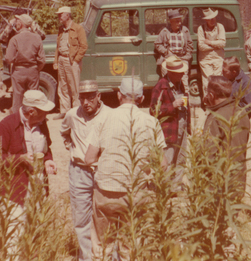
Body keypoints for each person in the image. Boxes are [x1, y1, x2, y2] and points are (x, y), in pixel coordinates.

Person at [84, 78, 166, 260]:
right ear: (142, 98)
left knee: (102, 246)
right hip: (135, 193)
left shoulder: (103, 118)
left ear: (118, 95)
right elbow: (162, 164)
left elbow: (89, 158)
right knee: (131, 246)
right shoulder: (151, 122)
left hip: (106, 191)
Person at [0, 90, 56, 254]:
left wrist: (48, 160)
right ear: (31, 111)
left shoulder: (41, 123)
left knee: (35, 231)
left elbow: (46, 148)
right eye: (43, 111)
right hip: (14, 190)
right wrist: (20, 158)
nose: (47, 114)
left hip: (37, 186)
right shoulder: (6, 125)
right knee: (14, 236)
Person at [60, 80, 108, 261]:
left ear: (98, 96)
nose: (86, 103)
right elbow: (64, 131)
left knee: (104, 215)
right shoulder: (72, 114)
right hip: (78, 171)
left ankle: (105, 254)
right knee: (81, 217)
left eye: (90, 98)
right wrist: (71, 147)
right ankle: (87, 257)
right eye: (82, 99)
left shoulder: (110, 115)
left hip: (102, 171)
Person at [203, 75, 251, 202]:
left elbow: (208, 154)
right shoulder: (242, 112)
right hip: (238, 177)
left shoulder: (215, 117)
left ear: (211, 95)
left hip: (219, 182)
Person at [150, 56, 191, 184]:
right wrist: (172, 106)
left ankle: (176, 186)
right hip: (169, 128)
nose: (183, 74)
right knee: (168, 158)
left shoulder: (180, 84)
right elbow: (153, 111)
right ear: (171, 73)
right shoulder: (161, 86)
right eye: (180, 73)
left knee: (181, 157)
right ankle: (165, 187)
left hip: (182, 126)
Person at [5, 14, 46, 114]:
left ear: (21, 23)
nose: (16, 22)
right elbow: (42, 59)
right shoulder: (37, 38)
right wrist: (36, 69)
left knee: (17, 97)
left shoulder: (14, 39)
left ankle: (17, 119)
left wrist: (16, 63)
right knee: (33, 97)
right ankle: (34, 117)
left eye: (18, 20)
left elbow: (8, 58)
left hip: (18, 71)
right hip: (33, 70)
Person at [53, 6, 88, 120]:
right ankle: (65, 111)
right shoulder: (61, 29)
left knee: (74, 86)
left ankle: (76, 111)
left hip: (72, 60)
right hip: (62, 60)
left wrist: (76, 60)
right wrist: (56, 61)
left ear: (67, 15)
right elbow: (58, 46)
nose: (59, 16)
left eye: (60, 14)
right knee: (62, 86)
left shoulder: (78, 28)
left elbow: (83, 46)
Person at [154, 9, 193, 79]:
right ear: (171, 22)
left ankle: (184, 90)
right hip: (169, 58)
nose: (179, 23)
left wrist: (187, 55)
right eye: (177, 21)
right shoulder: (165, 31)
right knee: (168, 80)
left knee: (183, 80)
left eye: (180, 21)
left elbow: (190, 44)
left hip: (182, 58)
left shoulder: (185, 30)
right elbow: (157, 44)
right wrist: (166, 51)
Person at [197, 8, 226, 93]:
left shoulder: (220, 27)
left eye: (213, 17)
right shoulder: (201, 28)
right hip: (205, 60)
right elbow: (201, 47)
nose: (212, 20)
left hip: (218, 58)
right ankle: (207, 104)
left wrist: (209, 42)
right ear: (206, 20)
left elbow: (223, 44)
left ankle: (217, 103)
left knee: (218, 82)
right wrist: (216, 45)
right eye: (210, 19)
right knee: (207, 83)